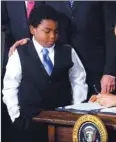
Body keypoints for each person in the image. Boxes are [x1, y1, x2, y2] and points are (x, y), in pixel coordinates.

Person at [2, 5, 87, 142]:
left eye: (56, 31)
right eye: (47, 31)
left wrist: (75, 110)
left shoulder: (68, 51)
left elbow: (78, 80)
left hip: (61, 120)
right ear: (32, 30)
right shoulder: (20, 53)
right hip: (28, 121)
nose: (52, 36)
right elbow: (10, 87)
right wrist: (15, 115)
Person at [8, 1, 116, 97]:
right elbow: (40, 19)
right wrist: (30, 40)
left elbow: (113, 31)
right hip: (60, 74)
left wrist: (110, 72)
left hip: (97, 74)